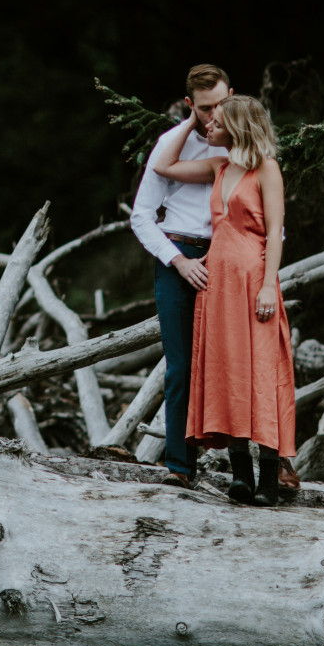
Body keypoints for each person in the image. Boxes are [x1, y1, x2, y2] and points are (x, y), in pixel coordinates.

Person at [151, 95, 295, 506]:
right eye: (207, 118)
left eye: (216, 120)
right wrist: (188, 118)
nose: (208, 126)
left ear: (238, 126)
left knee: (262, 372)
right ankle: (241, 475)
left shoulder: (266, 168)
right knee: (227, 372)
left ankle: (269, 478)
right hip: (217, 285)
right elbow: (164, 165)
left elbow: (275, 232)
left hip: (254, 280)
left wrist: (270, 285)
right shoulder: (220, 166)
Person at [128, 64, 233, 489]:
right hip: (178, 255)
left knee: (228, 361)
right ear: (190, 105)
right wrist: (178, 261)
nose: (213, 116)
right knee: (181, 365)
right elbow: (141, 217)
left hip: (227, 256)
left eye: (221, 105)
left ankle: (245, 464)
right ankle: (179, 466)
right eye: (204, 108)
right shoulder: (170, 145)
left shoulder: (244, 144)